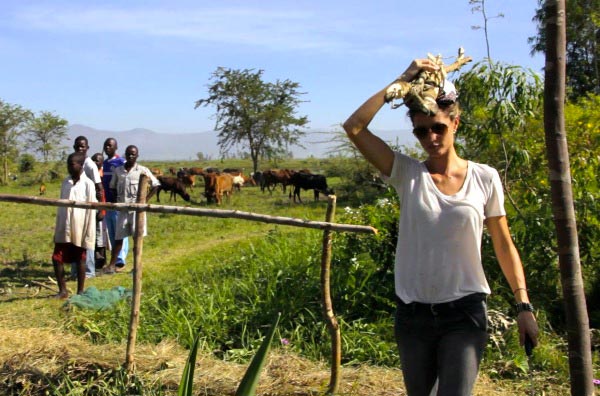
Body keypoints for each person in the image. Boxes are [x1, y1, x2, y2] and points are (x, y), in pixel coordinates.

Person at [342, 58, 539, 396]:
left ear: (455, 123)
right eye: (420, 130)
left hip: (464, 312)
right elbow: (354, 127)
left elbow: (504, 244)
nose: (430, 137)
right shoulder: (407, 174)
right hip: (413, 315)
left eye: (438, 128)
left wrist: (523, 306)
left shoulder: (484, 177)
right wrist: (402, 80)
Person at [103, 145, 159, 274]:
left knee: (137, 238)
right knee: (118, 238)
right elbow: (112, 186)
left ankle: (136, 266)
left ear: (137, 156)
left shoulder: (142, 170)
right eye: (128, 154)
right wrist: (117, 199)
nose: (131, 156)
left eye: (133, 154)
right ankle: (112, 265)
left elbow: (155, 185)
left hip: (137, 211)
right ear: (125, 155)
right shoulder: (118, 170)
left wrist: (145, 200)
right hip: (122, 209)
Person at [52, 152, 97, 299]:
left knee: (80, 259)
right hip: (64, 226)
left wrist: (88, 231)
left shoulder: (88, 184)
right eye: (68, 164)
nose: (69, 168)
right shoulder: (66, 182)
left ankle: (80, 291)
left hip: (80, 227)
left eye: (72, 164)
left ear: (80, 165)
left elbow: (91, 209)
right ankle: (62, 290)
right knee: (57, 258)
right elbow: (61, 205)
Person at [71, 136, 103, 279]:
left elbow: (99, 187)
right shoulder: (74, 162)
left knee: (88, 238)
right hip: (76, 206)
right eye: (77, 146)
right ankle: (75, 271)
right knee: (74, 238)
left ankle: (89, 271)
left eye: (82, 146)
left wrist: (101, 208)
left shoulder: (90, 165)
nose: (80, 149)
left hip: (89, 206)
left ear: (87, 148)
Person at [102, 138, 129, 270]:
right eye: (106, 145)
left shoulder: (121, 162)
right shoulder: (105, 163)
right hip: (107, 202)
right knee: (112, 231)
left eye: (110, 145)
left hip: (118, 202)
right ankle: (115, 256)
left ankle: (120, 260)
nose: (107, 148)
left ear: (116, 147)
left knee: (120, 231)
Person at [91, 152, 108, 270]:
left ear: (102, 163)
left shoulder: (103, 176)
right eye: (94, 160)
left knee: (100, 237)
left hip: (100, 209)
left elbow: (103, 193)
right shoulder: (88, 174)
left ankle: (101, 261)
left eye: (98, 161)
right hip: (90, 209)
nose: (95, 163)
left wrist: (102, 210)